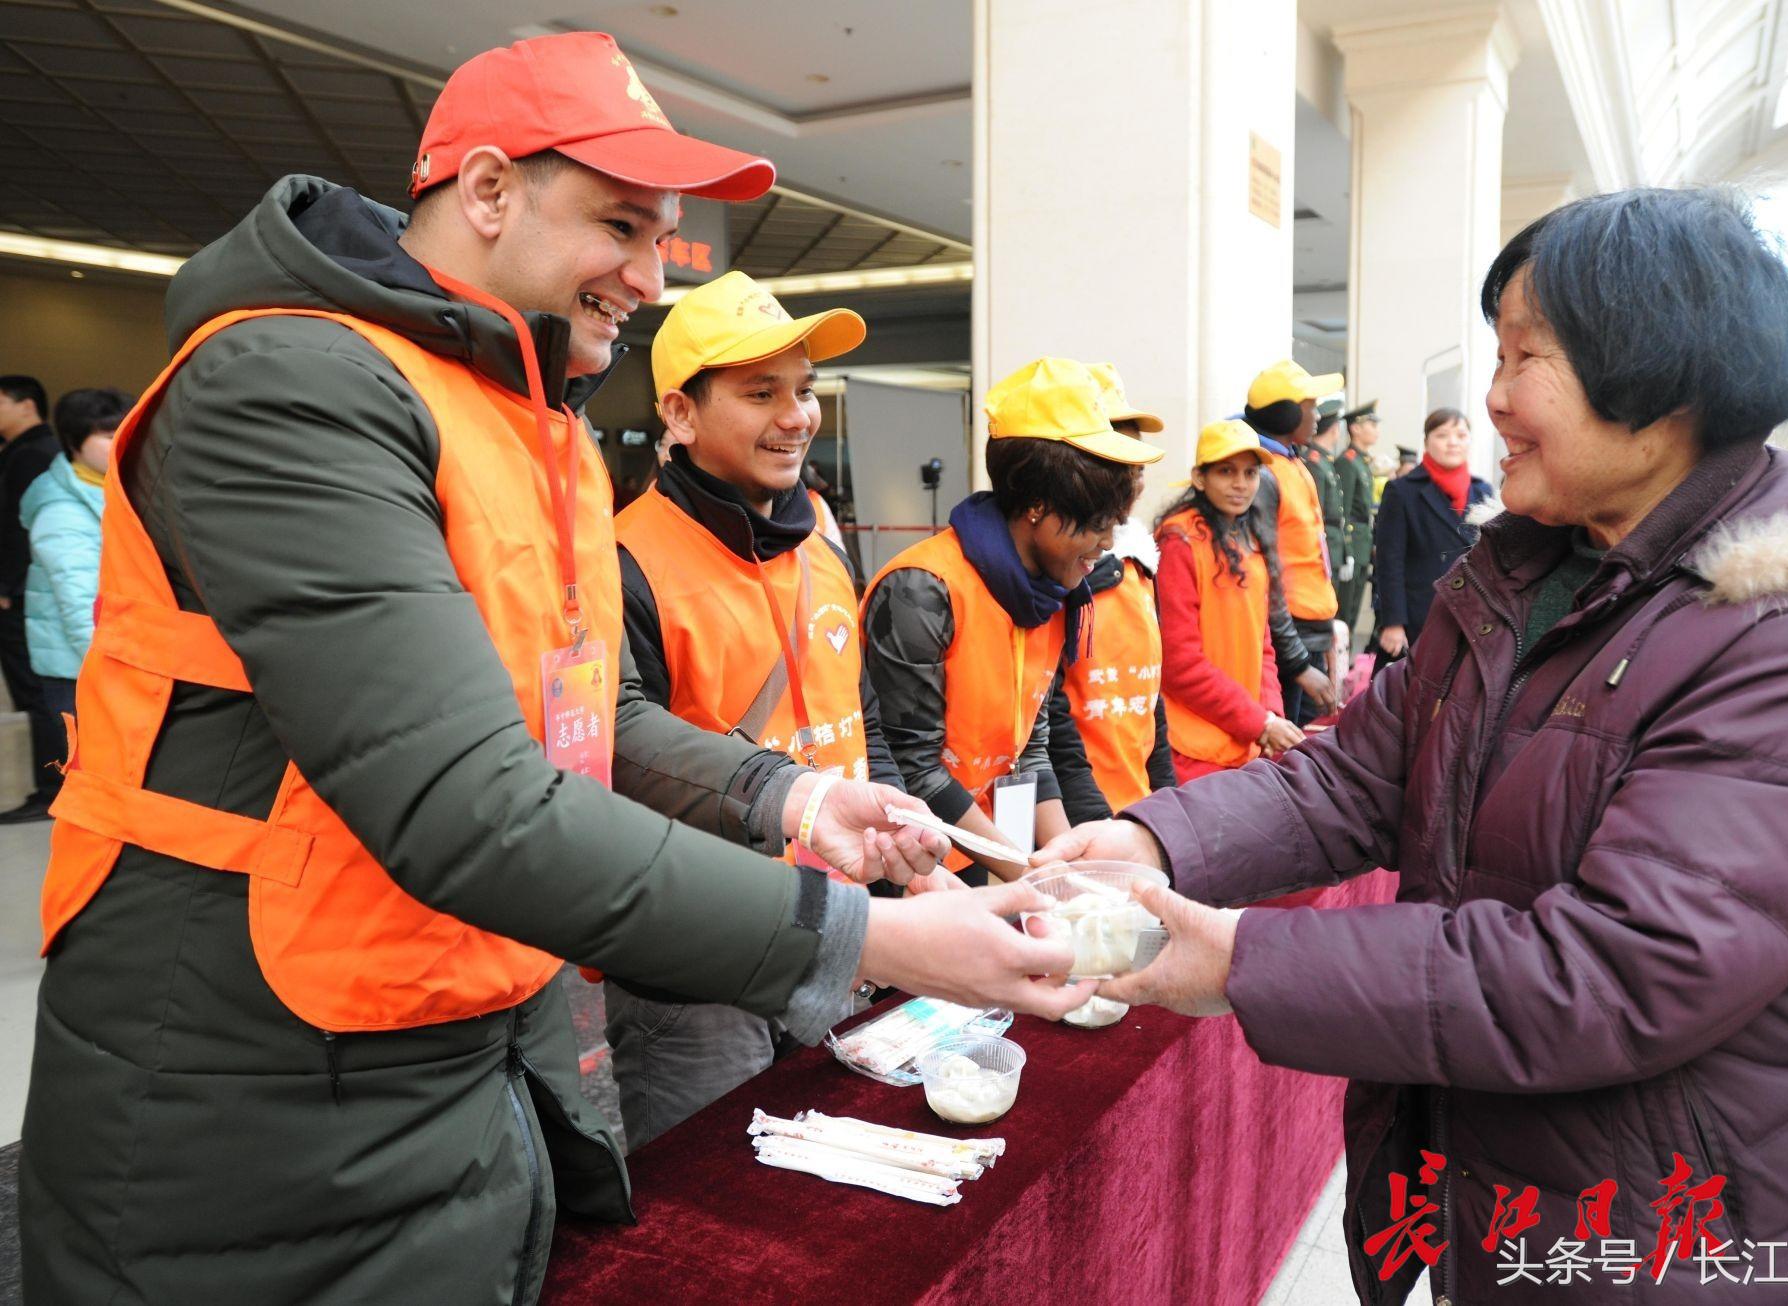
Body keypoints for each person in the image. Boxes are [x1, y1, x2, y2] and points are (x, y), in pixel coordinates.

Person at [21, 33, 1089, 1304]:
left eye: (662, 237)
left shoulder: (538, 421)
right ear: (485, 189)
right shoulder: (290, 385)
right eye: (620, 226)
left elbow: (579, 714)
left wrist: (793, 798)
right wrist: (877, 936)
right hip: (249, 1069)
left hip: (457, 1023)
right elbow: (464, 798)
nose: (648, 275)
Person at [1043, 186, 1788, 1303]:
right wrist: (1150, 843)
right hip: (1523, 1185)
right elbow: (1353, 777)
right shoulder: (1518, 571)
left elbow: (1612, 971)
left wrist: (1240, 961)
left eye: (1526, 356)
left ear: (1662, 381)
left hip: (1710, 1234)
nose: (1494, 399)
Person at [605, 270, 922, 1146]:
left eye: (804, 390)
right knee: (710, 1208)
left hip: (838, 937)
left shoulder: (820, 546)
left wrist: (905, 850)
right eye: (760, 393)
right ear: (680, 414)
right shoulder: (621, 563)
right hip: (700, 975)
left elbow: (859, 722)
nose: (797, 416)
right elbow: (617, 772)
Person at [864, 356, 1160, 880]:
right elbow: (913, 766)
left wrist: (1066, 864)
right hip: (912, 860)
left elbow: (1032, 748)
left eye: (1113, 524)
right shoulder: (921, 590)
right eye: (1094, 524)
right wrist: (1032, 877)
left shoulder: (1053, 590)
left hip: (984, 844)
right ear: (1036, 507)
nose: (1106, 544)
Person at [1045, 363, 1175, 822]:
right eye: (1115, 463)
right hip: (1075, 813)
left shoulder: (1140, 561)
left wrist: (1166, 794)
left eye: (1136, 465)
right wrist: (1088, 813)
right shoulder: (1056, 571)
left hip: (1134, 803)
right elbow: (1047, 711)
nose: (1132, 480)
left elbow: (1150, 696)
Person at [1154, 419, 1301, 782]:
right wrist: (1260, 722)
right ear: (1199, 478)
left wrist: (1271, 716)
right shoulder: (1179, 541)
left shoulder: (1249, 541)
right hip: (1193, 749)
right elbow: (1180, 663)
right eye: (1226, 471)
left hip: (1244, 741)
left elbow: (1262, 646)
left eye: (1250, 473)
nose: (1240, 484)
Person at [1244, 358, 1342, 726]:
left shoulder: (1292, 463)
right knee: (1288, 741)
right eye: (1310, 406)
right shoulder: (1264, 472)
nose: (1317, 415)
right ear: (1285, 413)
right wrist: (1297, 660)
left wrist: (1325, 632)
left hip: (1309, 629)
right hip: (1288, 635)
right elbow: (1266, 572)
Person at [22, 387, 127, 721]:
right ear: (73, 442)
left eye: (125, 430)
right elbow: (80, 603)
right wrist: (117, 673)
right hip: (82, 670)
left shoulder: (109, 486)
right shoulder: (62, 509)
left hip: (113, 655)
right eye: (108, 436)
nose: (121, 441)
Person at [1371, 406, 1496, 658]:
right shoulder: (1402, 491)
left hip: (1472, 614)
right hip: (1420, 613)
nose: (1453, 442)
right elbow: (1389, 562)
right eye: (1442, 435)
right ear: (1426, 441)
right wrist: (1393, 622)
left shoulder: (1483, 491)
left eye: (1461, 435)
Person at [0, 373, 63, 821]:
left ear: (26, 405)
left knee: (39, 693)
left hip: (23, 594)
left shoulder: (32, 455)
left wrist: (8, 587)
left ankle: (52, 789)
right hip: (24, 591)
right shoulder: (22, 451)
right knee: (36, 693)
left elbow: (23, 530)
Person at [1335, 400, 1381, 631]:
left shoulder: (1362, 462)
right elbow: (1342, 509)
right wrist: (1347, 550)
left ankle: (1349, 652)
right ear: (1355, 428)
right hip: (1353, 542)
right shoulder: (1348, 462)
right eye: (1371, 424)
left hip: (1363, 542)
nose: (1376, 430)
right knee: (1345, 610)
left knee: (1353, 610)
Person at [1304, 408, 1351, 617]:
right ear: (1334, 429)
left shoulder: (1324, 461)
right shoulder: (1315, 462)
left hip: (1334, 542)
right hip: (1326, 544)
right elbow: (1317, 513)